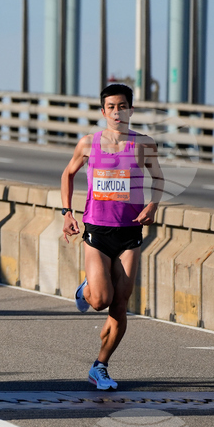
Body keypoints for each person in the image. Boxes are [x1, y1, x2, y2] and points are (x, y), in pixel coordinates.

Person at [61, 83, 164, 391]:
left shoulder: (144, 144)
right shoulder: (89, 144)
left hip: (130, 232)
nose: (117, 112)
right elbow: (68, 174)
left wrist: (153, 204)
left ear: (131, 109)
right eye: (111, 107)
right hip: (97, 230)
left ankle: (100, 365)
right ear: (102, 111)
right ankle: (87, 290)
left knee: (120, 304)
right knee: (100, 301)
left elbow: (158, 177)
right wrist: (67, 212)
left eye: (123, 106)